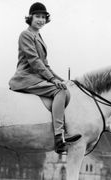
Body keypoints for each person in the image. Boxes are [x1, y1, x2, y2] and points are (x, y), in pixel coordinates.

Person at [9, 2, 81, 154]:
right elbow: (34, 61)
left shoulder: (38, 36)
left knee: (65, 89)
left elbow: (45, 65)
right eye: (37, 16)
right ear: (30, 18)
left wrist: (61, 80)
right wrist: (53, 81)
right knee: (59, 92)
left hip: (37, 75)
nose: (41, 20)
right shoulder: (26, 35)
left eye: (43, 17)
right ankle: (58, 136)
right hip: (26, 77)